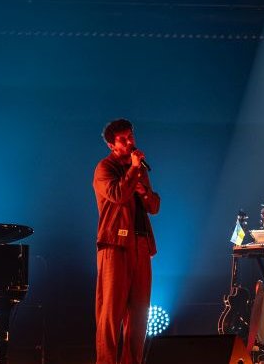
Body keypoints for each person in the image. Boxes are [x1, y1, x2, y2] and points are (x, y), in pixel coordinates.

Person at [93, 119, 160, 364]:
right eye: (124, 139)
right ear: (112, 145)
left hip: (141, 245)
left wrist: (145, 192)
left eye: (131, 136)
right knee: (111, 313)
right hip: (115, 246)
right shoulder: (104, 168)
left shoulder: (139, 168)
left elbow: (154, 207)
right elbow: (118, 195)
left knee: (139, 314)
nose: (131, 141)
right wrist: (133, 170)